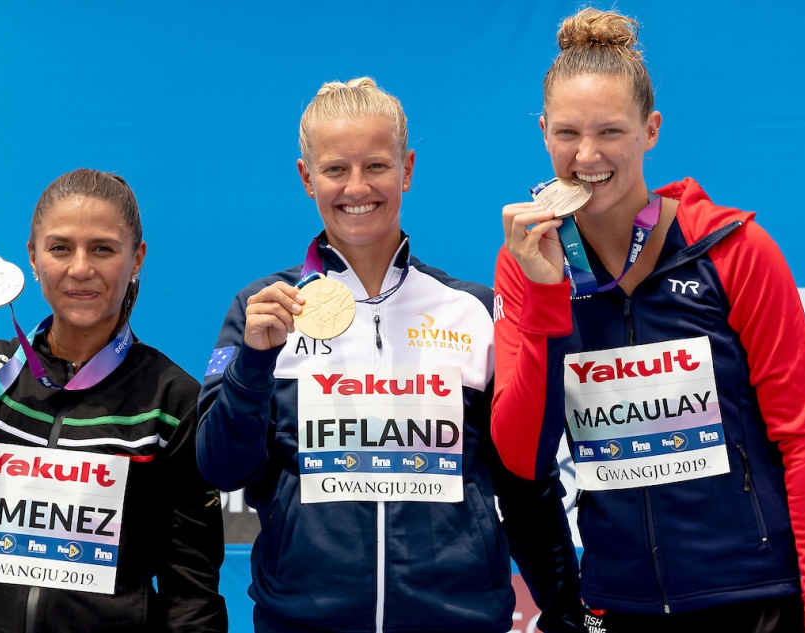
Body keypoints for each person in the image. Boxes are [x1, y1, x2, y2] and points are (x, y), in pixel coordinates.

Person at [491, 7, 805, 633]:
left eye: (612, 132)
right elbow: (523, 457)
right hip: (619, 606)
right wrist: (546, 297)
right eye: (567, 133)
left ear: (650, 130)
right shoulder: (529, 259)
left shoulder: (733, 249)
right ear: (543, 131)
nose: (587, 155)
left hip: (755, 601)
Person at [195, 77, 584, 632]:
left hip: (459, 620)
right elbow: (220, 467)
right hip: (303, 620)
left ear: (407, 169)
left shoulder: (471, 311)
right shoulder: (263, 310)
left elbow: (525, 485)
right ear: (307, 178)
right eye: (335, 169)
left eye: (376, 166)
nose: (357, 187)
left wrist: (569, 608)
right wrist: (253, 365)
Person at [0, 168, 228, 632]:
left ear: (137, 259)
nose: (80, 268)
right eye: (60, 248)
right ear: (32, 256)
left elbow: (190, 587)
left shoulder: (171, 400)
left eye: (103, 249)